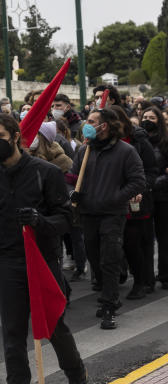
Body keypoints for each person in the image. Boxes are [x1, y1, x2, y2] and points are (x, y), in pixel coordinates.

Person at [0, 114, 87, 384]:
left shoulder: (46, 172)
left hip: (43, 261)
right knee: (12, 334)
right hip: (10, 262)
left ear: (15, 136)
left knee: (55, 327)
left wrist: (40, 221)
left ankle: (77, 376)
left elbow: (66, 218)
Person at [70, 107, 146, 329]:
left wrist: (115, 198)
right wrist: (71, 192)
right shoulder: (85, 151)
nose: (88, 124)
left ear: (105, 125)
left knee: (109, 259)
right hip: (88, 214)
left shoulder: (126, 151)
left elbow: (138, 181)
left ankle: (109, 305)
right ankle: (107, 293)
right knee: (95, 259)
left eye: (93, 121)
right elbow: (73, 177)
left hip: (112, 214)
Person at [111, 106, 159, 300]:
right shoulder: (103, 144)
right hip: (113, 201)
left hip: (137, 201)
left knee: (137, 243)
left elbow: (151, 171)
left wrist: (139, 188)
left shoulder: (139, 141)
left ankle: (143, 281)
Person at [140, 107, 168, 290]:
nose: (148, 119)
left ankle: (165, 274)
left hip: (163, 195)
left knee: (164, 237)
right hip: (143, 196)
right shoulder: (138, 142)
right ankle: (147, 278)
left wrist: (151, 184)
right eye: (145, 116)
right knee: (144, 239)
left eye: (152, 117)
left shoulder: (165, 142)